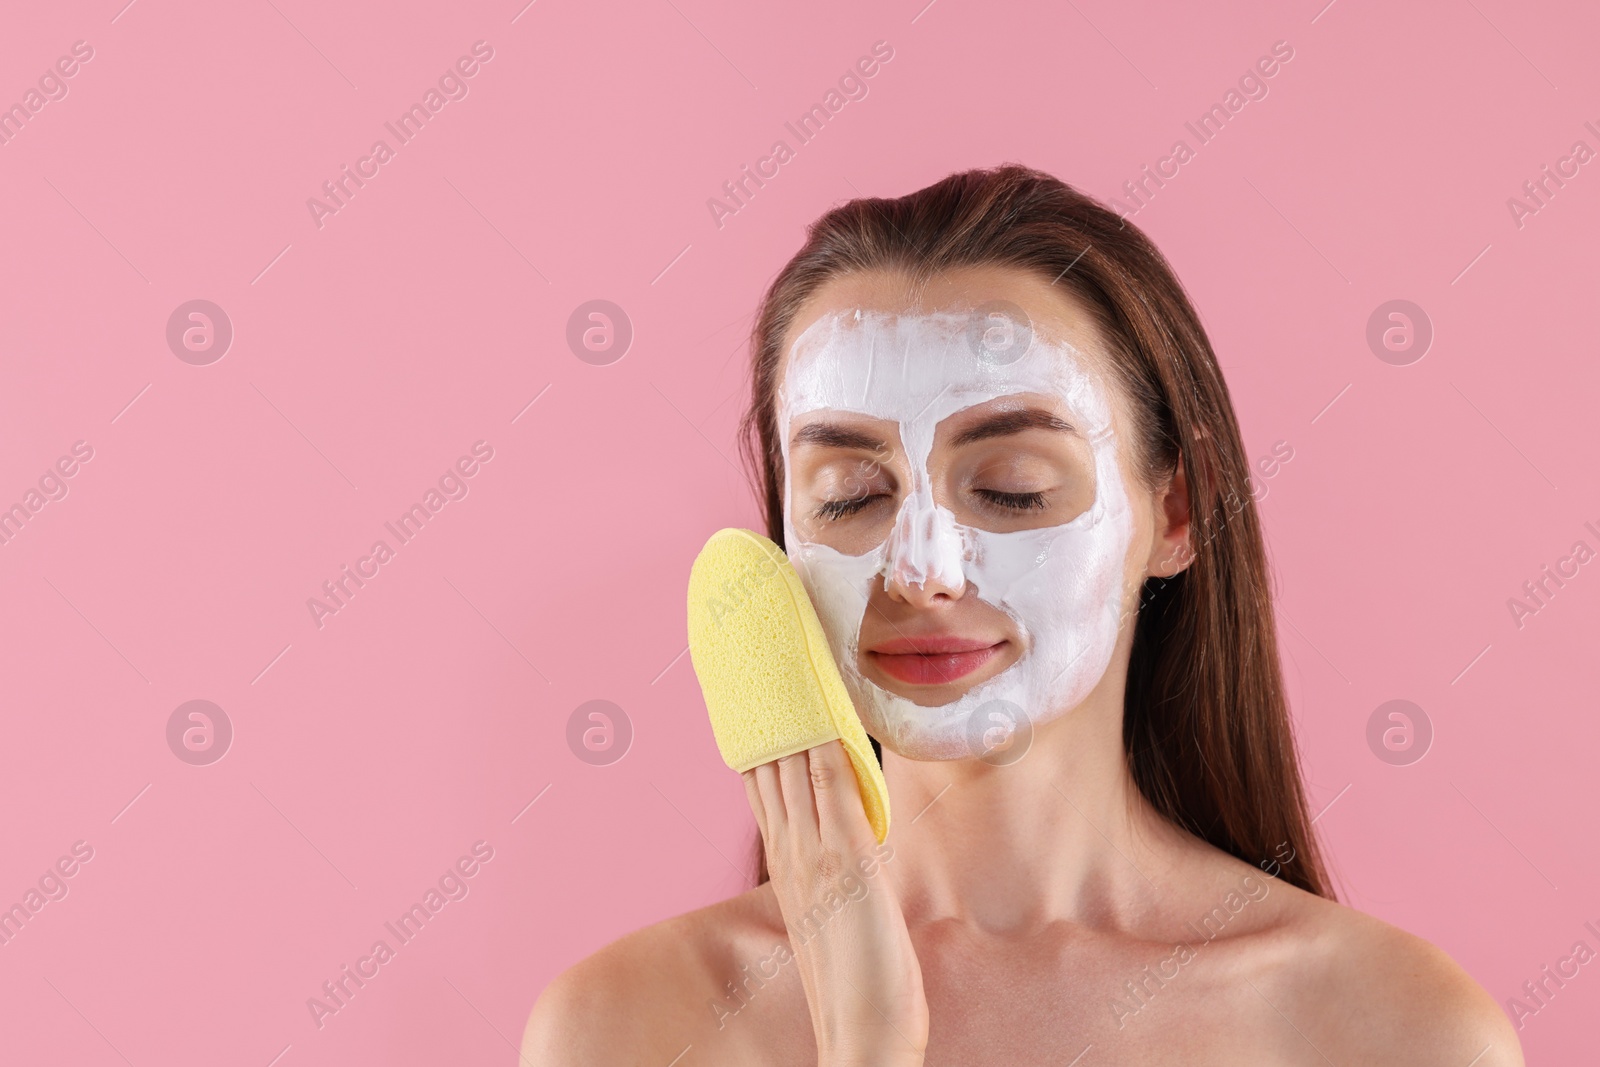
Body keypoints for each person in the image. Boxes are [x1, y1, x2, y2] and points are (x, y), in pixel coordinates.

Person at [520, 164, 1521, 1065]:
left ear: (1175, 509)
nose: (920, 570)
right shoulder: (627, 1027)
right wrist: (866, 1043)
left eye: (1007, 486)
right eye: (849, 493)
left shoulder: (1394, 1030)